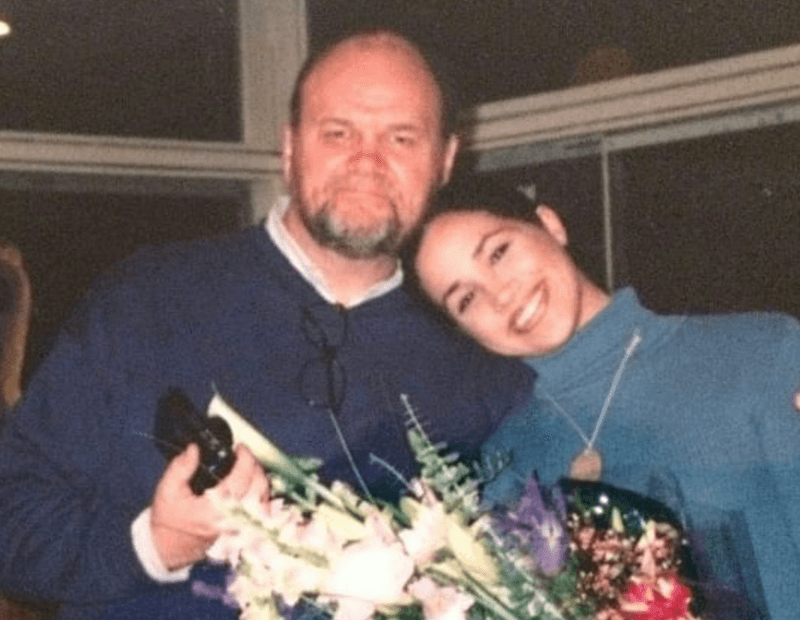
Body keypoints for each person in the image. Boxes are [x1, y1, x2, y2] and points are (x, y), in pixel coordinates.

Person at [0, 32, 533, 620]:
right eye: (338, 133)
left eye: (401, 137)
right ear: (289, 148)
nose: (367, 160)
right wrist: (153, 545)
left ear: (445, 160)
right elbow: (9, 516)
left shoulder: (477, 356)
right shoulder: (146, 302)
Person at [412, 178, 800, 620]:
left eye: (498, 253)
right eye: (465, 299)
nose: (500, 294)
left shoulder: (760, 354)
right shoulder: (506, 463)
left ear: (550, 224)